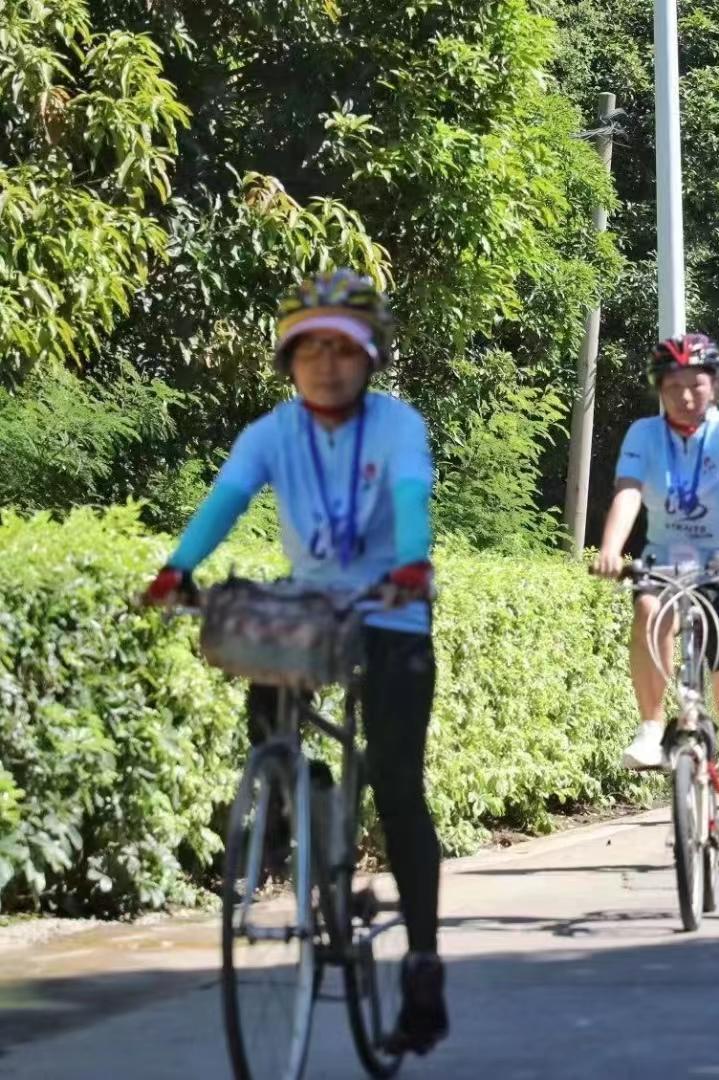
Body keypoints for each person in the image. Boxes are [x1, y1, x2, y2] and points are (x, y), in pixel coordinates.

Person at [142, 269, 448, 1054]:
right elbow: (225, 500)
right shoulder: (271, 432)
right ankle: (294, 795)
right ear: (288, 360)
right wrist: (177, 568)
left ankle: (422, 963)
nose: (326, 365)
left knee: (399, 784)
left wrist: (412, 564)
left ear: (371, 358)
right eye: (309, 349)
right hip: (310, 609)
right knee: (261, 682)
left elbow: (410, 501)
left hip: (390, 607)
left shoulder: (397, 426)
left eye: (343, 349)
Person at [590, 334, 719, 885]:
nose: (685, 396)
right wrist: (611, 548)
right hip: (666, 562)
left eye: (696, 385)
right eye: (673, 386)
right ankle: (652, 726)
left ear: (714, 386)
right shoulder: (643, 434)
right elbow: (629, 493)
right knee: (648, 608)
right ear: (659, 390)